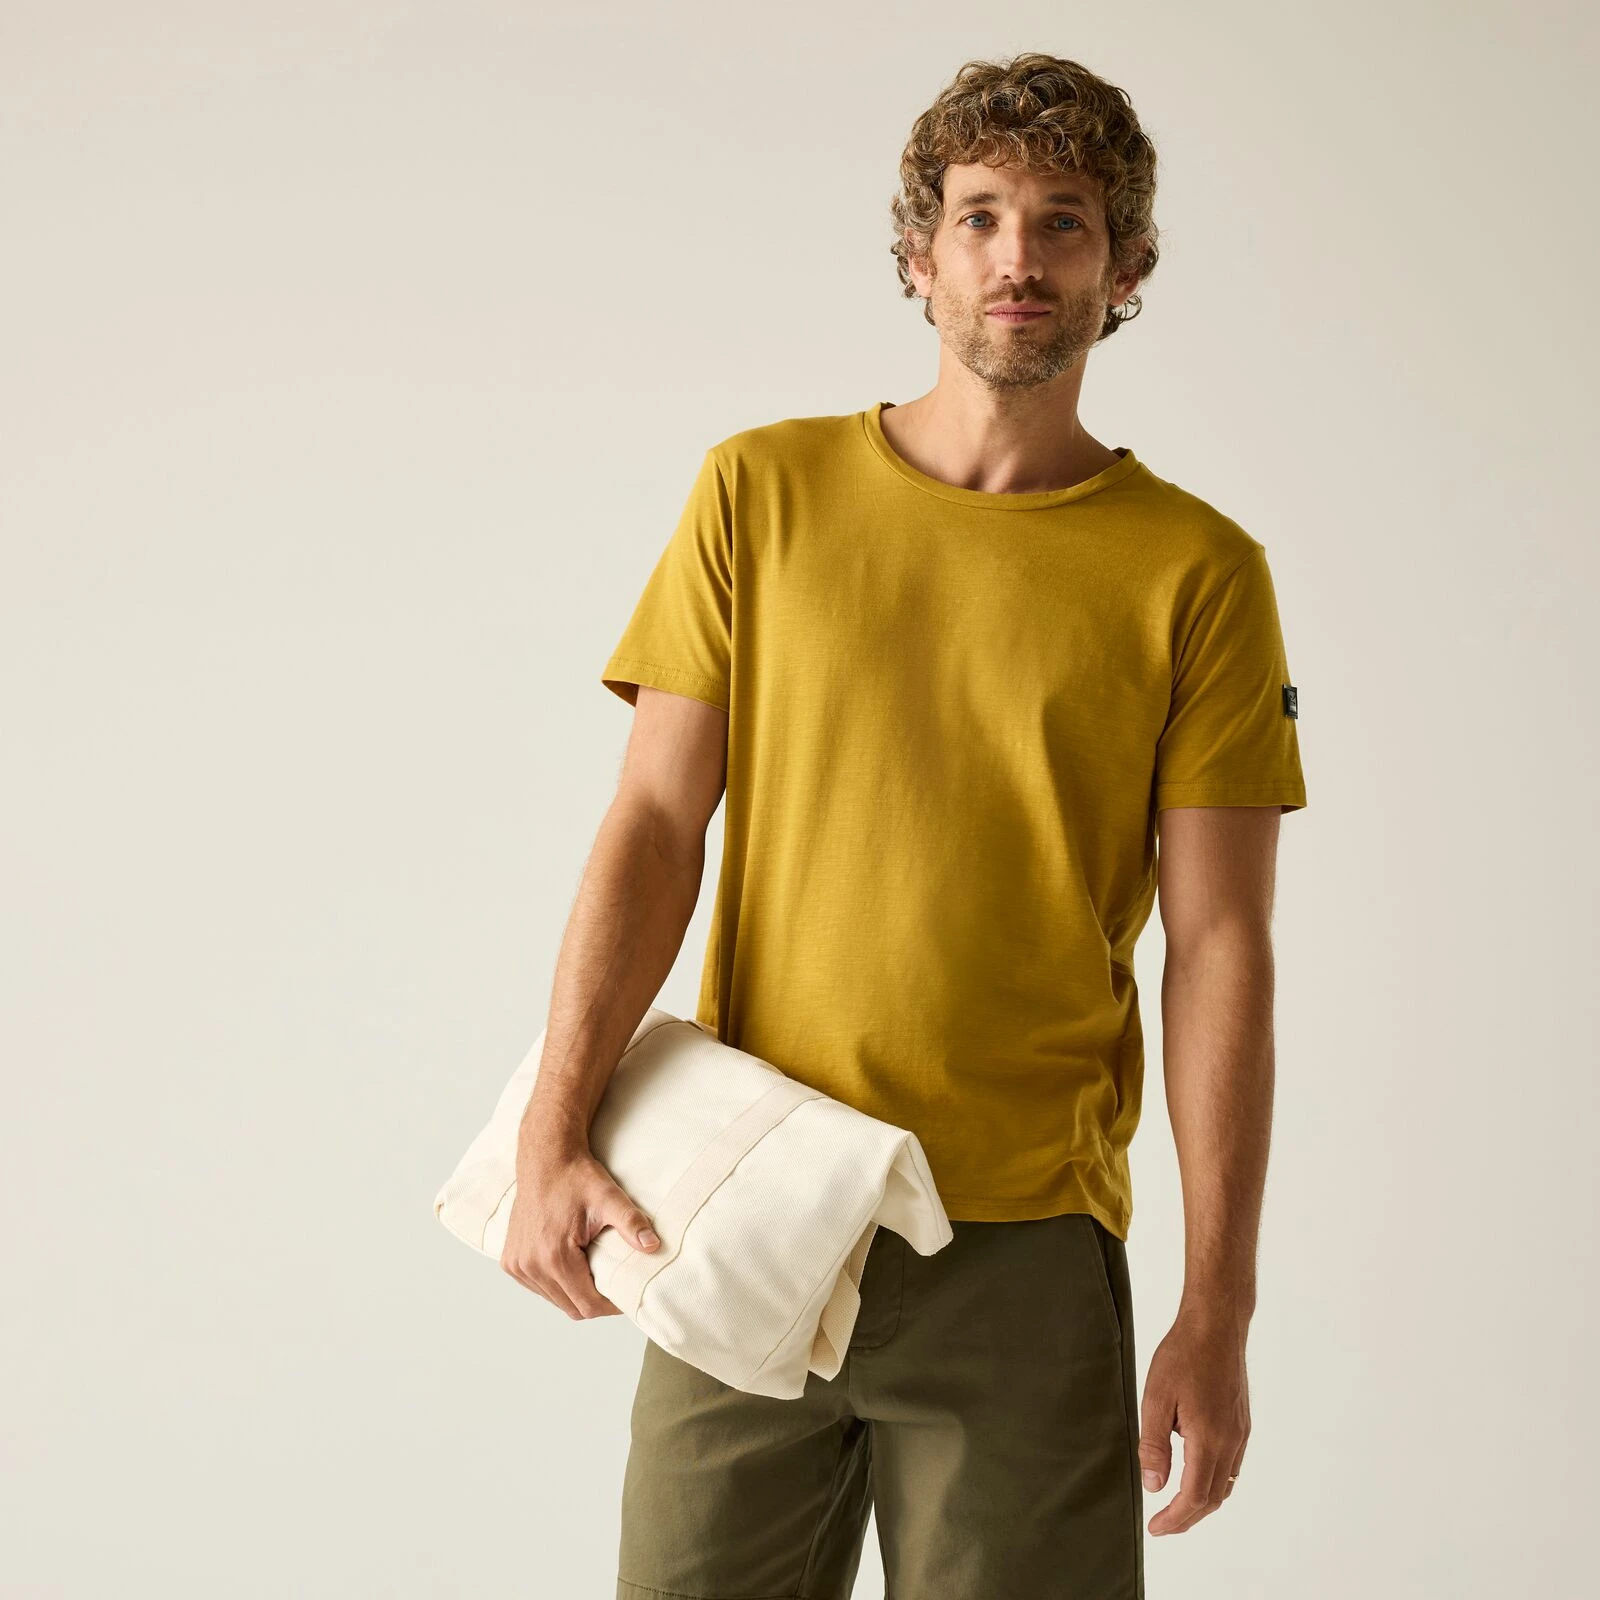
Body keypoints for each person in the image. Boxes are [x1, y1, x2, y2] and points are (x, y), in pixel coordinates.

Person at [501, 51, 1307, 1600]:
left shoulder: (1198, 574)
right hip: (743, 1196)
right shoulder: (760, 493)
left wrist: (1219, 1310)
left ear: (1125, 267)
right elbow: (653, 828)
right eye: (980, 216)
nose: (1019, 258)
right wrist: (554, 1133)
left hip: (1023, 1244)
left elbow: (1221, 945)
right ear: (919, 257)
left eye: (1065, 222)